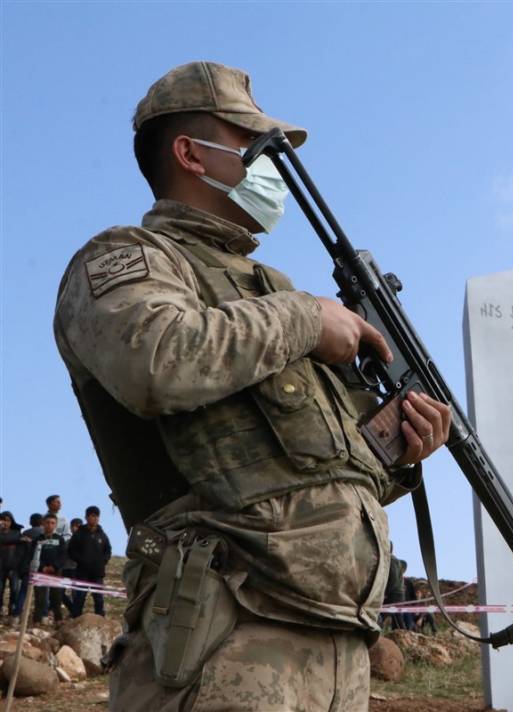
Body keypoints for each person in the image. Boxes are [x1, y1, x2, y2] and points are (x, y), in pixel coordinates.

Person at [53, 61, 452, 711]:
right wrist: (304, 319)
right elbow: (156, 363)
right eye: (256, 148)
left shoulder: (271, 294)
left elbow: (320, 471)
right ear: (190, 154)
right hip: (222, 642)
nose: (273, 171)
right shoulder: (128, 261)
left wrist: (398, 450)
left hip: (335, 649)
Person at [68, 506, 112, 617]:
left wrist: (103, 561)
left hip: (97, 573)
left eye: (97, 516)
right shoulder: (79, 534)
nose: (95, 518)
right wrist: (82, 560)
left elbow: (108, 550)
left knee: (99, 598)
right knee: (80, 597)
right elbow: (71, 551)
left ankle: (100, 619)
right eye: (92, 516)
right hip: (82, 572)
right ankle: (76, 618)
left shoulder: (102, 535)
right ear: (87, 517)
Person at [31, 513, 67, 624]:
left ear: (55, 525)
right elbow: (32, 555)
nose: (50, 525)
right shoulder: (37, 540)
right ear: (43, 524)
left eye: (52, 523)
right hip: (40, 572)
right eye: (47, 523)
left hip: (55, 572)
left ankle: (58, 621)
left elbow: (63, 556)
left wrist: (54, 567)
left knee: (56, 598)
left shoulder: (60, 540)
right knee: (40, 598)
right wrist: (43, 567)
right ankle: (37, 621)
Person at [0, 512, 24, 618]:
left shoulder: (16, 533)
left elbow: (21, 550)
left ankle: (12, 610)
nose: (5, 522)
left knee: (14, 590)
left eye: (8, 520)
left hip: (14, 567)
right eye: (3, 519)